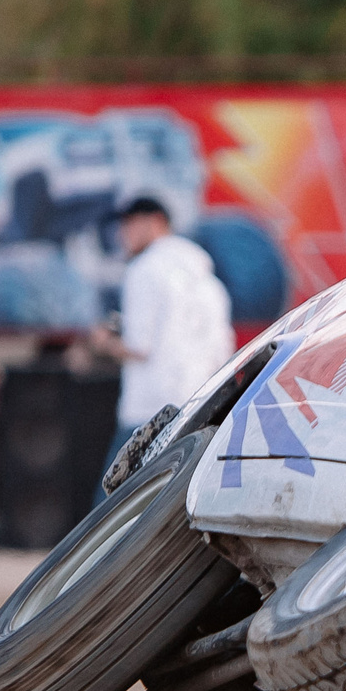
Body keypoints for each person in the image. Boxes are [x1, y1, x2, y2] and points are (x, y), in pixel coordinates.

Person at [87, 197, 235, 496]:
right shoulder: (208, 280)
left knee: (110, 505)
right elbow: (223, 350)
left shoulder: (145, 269)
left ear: (154, 222)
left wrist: (103, 343)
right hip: (196, 404)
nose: (122, 234)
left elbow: (139, 346)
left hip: (148, 409)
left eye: (128, 224)